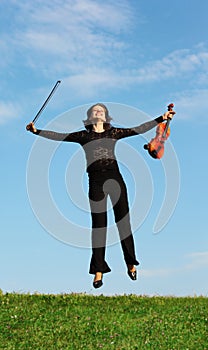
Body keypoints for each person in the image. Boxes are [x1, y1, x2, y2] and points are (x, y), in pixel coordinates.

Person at [26, 103, 175, 289]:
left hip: (115, 179)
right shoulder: (83, 136)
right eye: (95, 110)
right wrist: (36, 131)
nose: (99, 112)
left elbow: (139, 129)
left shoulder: (114, 133)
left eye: (102, 110)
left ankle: (130, 264)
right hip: (95, 182)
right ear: (90, 116)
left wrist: (162, 118)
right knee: (99, 226)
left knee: (123, 221)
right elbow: (59, 136)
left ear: (106, 117)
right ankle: (98, 271)